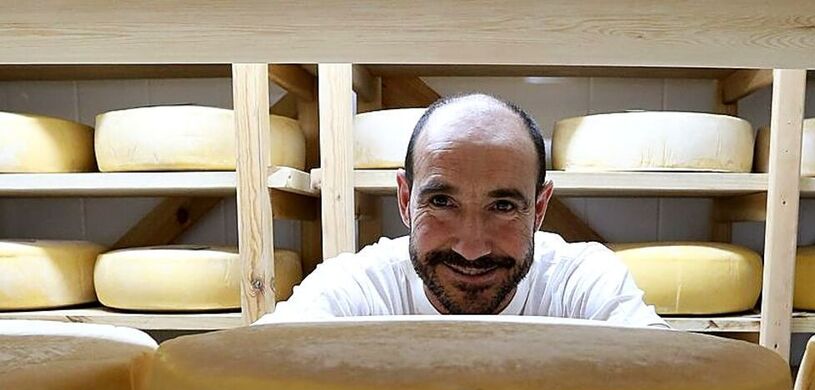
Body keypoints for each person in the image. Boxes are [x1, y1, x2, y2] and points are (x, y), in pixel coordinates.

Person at [257, 93, 665, 327]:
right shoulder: (362, 288)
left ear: (539, 210)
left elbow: (675, 378)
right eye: (441, 202)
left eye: (502, 206)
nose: (471, 247)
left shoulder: (581, 283)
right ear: (405, 200)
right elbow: (257, 370)